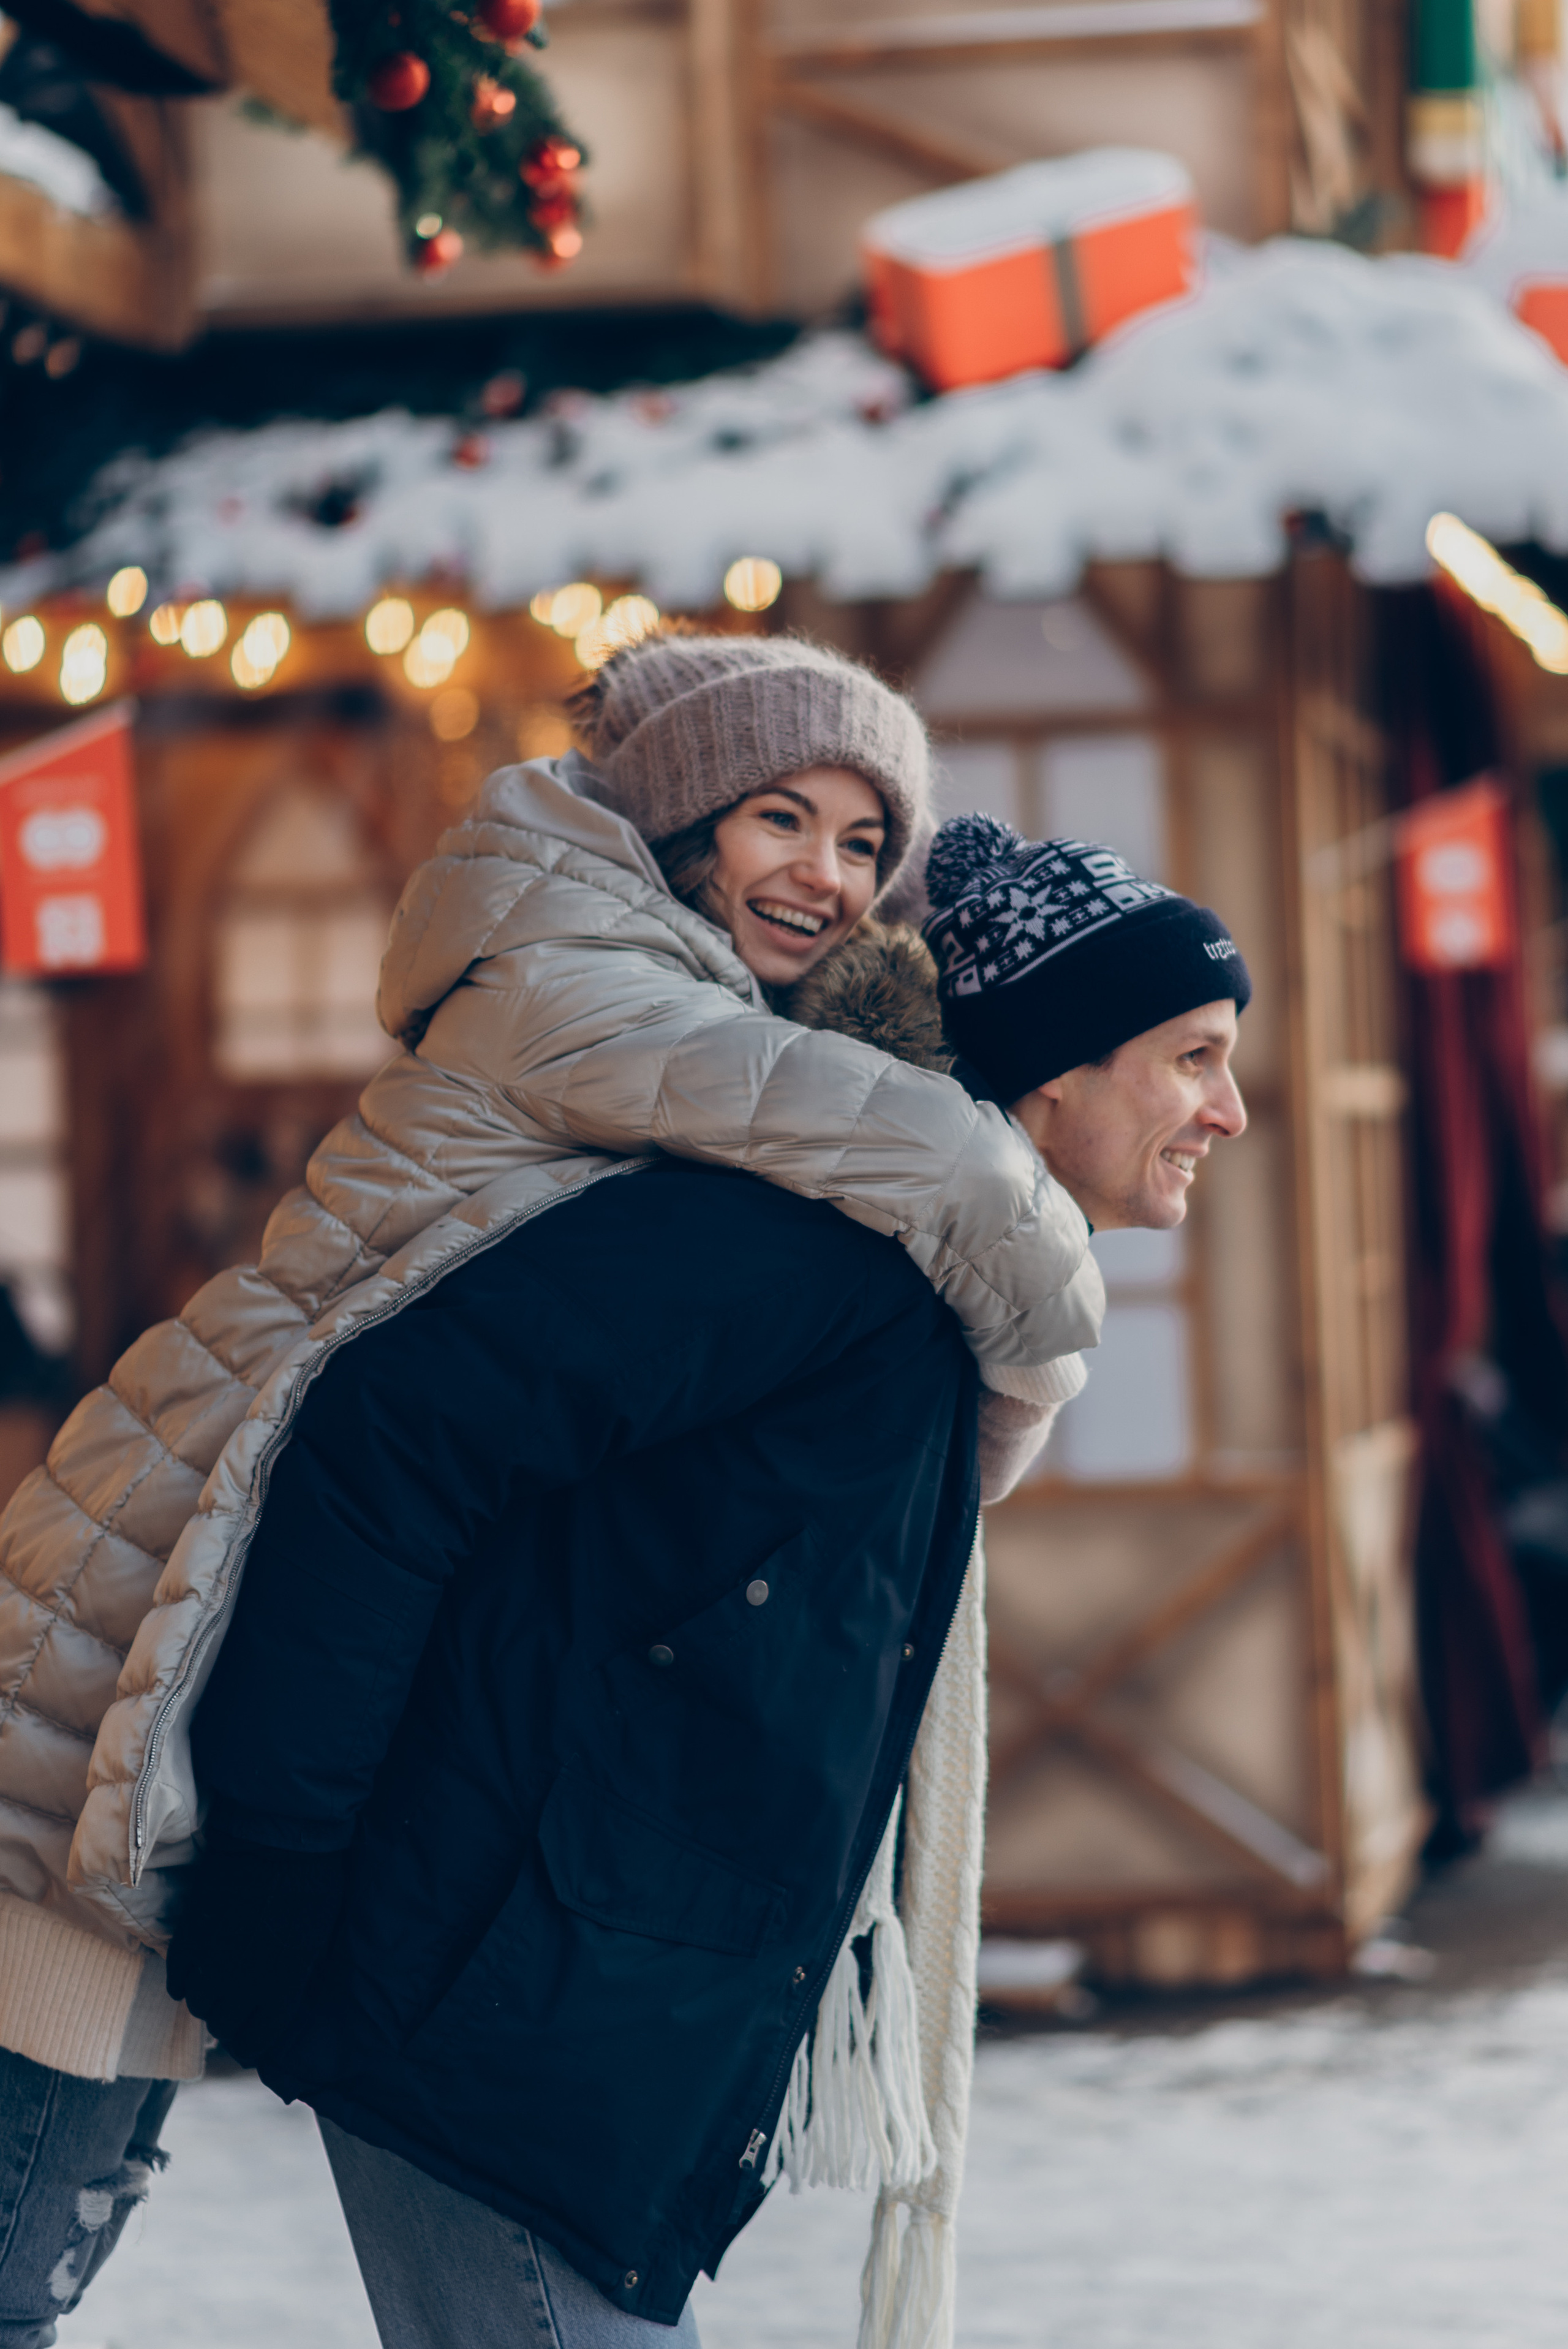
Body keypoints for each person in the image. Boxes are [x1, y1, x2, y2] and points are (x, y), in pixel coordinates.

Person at [0, 634, 1099, 2347]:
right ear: (676, 824)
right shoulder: (585, 983)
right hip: (119, 1623)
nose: (826, 873)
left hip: (187, 1609)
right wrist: (1038, 1332)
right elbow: (941, 1158)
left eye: (866, 843)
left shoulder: (652, 992)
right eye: (779, 818)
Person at [157, 815, 1252, 2349]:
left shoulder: (926, 1294)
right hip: (496, 1996)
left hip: (587, 2008)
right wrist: (280, 1859)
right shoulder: (803, 1253)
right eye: (1192, 1057)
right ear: (1054, 1071)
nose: (1231, 1109)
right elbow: (387, 1438)